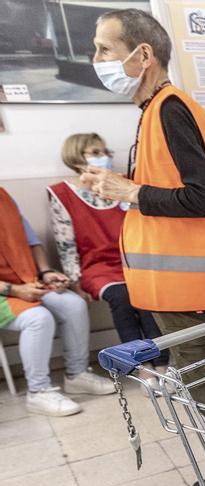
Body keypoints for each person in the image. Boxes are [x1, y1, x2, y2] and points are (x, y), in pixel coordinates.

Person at [82, 8, 205, 486]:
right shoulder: (156, 111)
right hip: (172, 285)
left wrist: (129, 191)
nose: (96, 61)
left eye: (105, 50)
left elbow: (202, 199)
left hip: (185, 287)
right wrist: (124, 185)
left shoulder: (168, 109)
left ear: (143, 54)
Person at [48, 132, 171, 377]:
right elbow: (65, 244)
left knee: (146, 299)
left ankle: (163, 365)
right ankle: (140, 368)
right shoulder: (61, 194)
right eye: (95, 153)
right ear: (76, 157)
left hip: (133, 260)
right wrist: (75, 282)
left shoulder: (120, 183)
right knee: (123, 297)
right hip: (97, 267)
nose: (103, 157)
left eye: (105, 152)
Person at [0, 187, 116, 415]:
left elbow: (31, 242)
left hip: (27, 281)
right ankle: (38, 392)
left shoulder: (4, 196)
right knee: (38, 319)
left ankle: (77, 374)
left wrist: (45, 272)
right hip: (7, 290)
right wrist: (15, 290)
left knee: (73, 304)